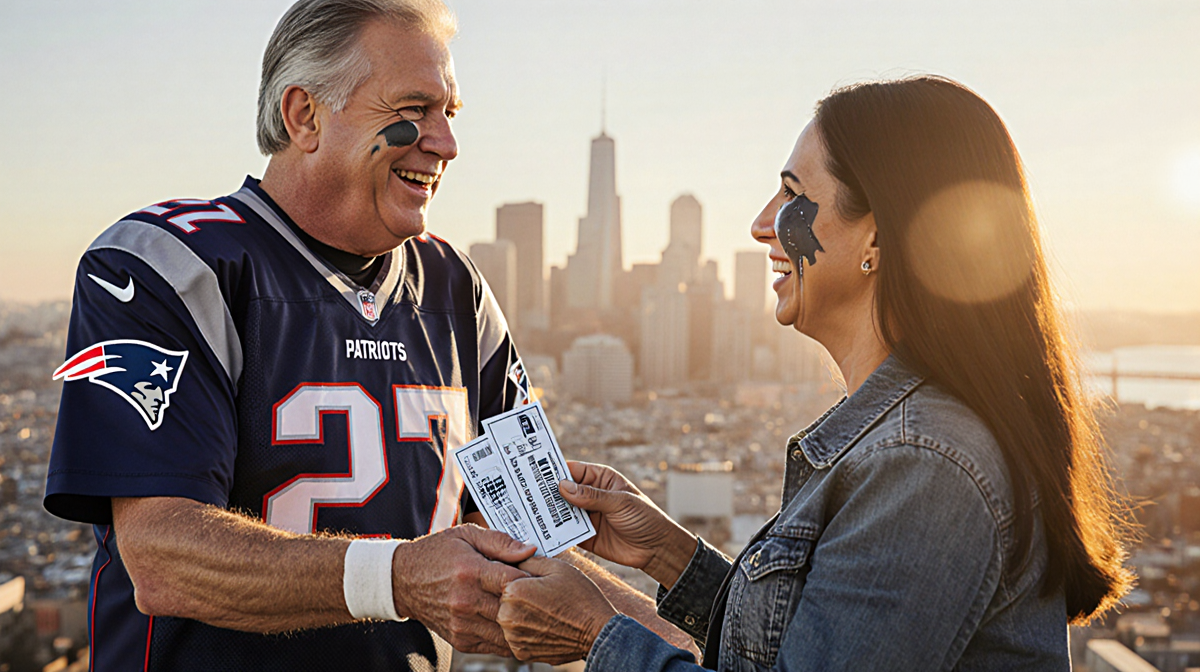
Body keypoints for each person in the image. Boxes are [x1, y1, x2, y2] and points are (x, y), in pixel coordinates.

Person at [42, 1, 689, 669]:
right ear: (305, 116)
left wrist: (693, 648)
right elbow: (162, 555)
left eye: (451, 113)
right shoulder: (167, 265)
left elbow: (518, 536)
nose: (445, 142)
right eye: (415, 107)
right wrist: (399, 577)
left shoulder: (456, 292)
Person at [493, 76, 1134, 670]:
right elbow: (811, 647)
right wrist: (668, 554)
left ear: (876, 241)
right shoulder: (911, 442)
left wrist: (592, 634)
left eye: (795, 196)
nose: (761, 223)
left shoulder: (923, 465)